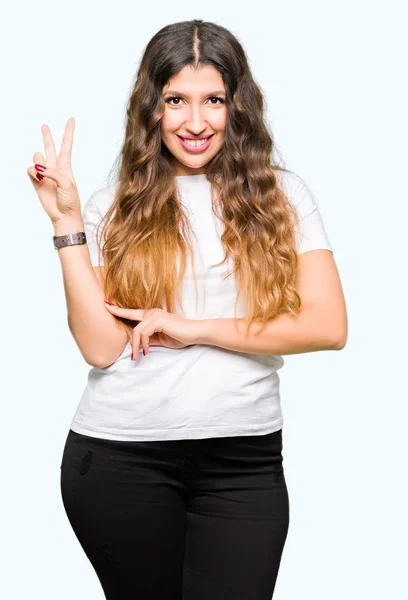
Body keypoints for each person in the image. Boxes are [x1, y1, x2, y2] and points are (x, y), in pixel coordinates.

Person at [27, 19, 347, 600]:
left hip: (242, 463)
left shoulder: (283, 198)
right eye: (176, 100)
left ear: (237, 107)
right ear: (152, 107)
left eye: (214, 101)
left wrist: (195, 329)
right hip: (122, 460)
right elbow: (101, 347)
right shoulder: (112, 205)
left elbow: (328, 326)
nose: (195, 122)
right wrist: (67, 224)